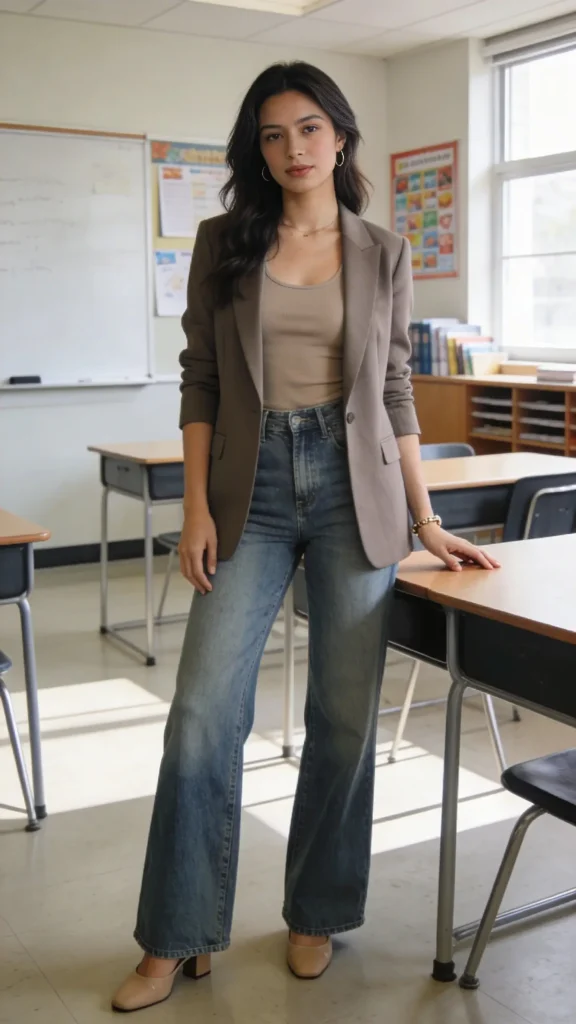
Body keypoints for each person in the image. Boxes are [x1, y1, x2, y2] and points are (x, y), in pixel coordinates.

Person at [112, 61, 499, 1014]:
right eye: (275, 134)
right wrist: (195, 507)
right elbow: (201, 379)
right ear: (258, 148)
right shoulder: (224, 243)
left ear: (341, 135)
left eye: (311, 128)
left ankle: (317, 910)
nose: (295, 149)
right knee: (202, 716)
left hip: (353, 492)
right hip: (247, 491)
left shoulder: (383, 251)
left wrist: (426, 519)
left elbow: (395, 391)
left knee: (343, 720)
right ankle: (175, 935)